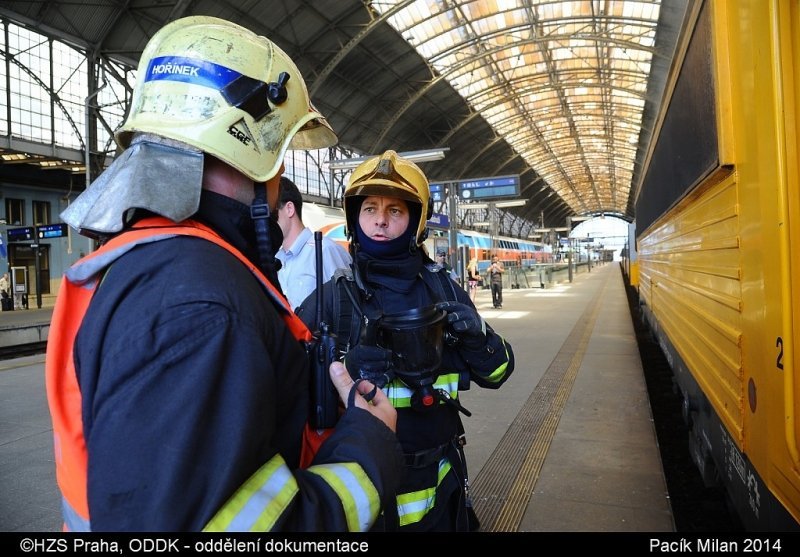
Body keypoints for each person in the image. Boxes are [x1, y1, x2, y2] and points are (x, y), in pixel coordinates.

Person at [45, 16, 402, 532]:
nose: (280, 184)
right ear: (250, 151)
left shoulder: (152, 266)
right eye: (279, 161)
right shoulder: (200, 306)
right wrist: (368, 442)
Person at [296, 150, 515, 531]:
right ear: (354, 218)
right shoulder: (330, 301)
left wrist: (478, 334)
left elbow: (498, 373)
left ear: (415, 221)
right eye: (370, 208)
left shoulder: (444, 289)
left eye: (395, 210)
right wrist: (341, 373)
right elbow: (286, 396)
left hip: (441, 490)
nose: (380, 220)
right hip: (364, 494)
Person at [275, 176, 352, 309]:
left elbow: (346, 309)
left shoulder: (325, 251)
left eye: (270, 212)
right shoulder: (277, 261)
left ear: (289, 209)